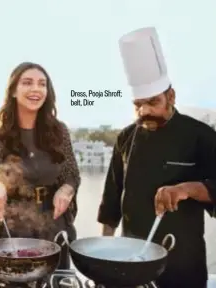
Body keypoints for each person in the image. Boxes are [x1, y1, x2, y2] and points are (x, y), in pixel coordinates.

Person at [97, 27, 216, 288]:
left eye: (152, 102)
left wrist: (187, 189)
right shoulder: (125, 138)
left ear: (171, 97)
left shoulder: (201, 136)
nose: (144, 111)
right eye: (138, 104)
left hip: (182, 265)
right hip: (131, 261)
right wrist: (103, 258)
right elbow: (111, 202)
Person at [0, 62, 80, 269]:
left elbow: (72, 175)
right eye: (27, 83)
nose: (36, 89)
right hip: (14, 228)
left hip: (54, 222)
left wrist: (66, 189)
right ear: (14, 91)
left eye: (42, 84)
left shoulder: (59, 132)